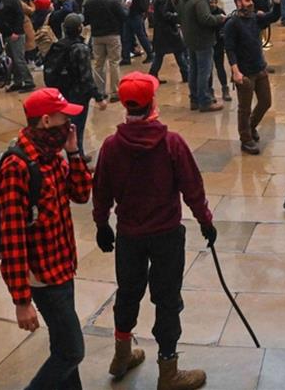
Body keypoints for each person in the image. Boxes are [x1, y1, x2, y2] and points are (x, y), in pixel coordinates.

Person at [92, 73, 214, 390]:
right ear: (152, 104)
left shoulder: (111, 146)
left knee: (128, 293)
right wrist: (205, 220)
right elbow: (192, 187)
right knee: (167, 299)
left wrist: (102, 223)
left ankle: (121, 356)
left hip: (129, 234)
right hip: (166, 234)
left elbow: (101, 189)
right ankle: (168, 371)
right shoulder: (171, 143)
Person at [0, 88, 93, 389]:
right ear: (47, 121)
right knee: (72, 351)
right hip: (42, 276)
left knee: (62, 346)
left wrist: (74, 152)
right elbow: (11, 238)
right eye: (66, 117)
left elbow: (80, 194)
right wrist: (21, 300)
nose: (71, 123)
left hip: (62, 265)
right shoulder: (18, 167)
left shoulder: (52, 154)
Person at [224, 0, 280, 155]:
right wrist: (235, 71)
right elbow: (230, 48)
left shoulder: (255, 18)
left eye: (251, 0)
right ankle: (246, 139)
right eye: (247, 1)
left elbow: (274, 16)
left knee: (265, 102)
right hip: (244, 72)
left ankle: (250, 126)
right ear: (238, 3)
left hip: (259, 68)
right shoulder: (232, 23)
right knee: (244, 107)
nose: (251, 3)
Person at [45, 14, 108, 160]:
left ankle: (73, 153)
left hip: (62, 92)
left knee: (65, 125)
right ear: (79, 28)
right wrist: (99, 97)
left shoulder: (59, 45)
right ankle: (77, 156)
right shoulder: (80, 48)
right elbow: (86, 77)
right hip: (78, 94)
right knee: (76, 127)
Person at [178, 0, 226, 112]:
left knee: (193, 70)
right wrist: (219, 18)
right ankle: (204, 101)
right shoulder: (200, 0)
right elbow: (206, 19)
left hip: (189, 38)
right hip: (202, 39)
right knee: (204, 71)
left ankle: (194, 99)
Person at [84, 0, 129, 101]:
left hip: (97, 36)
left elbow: (86, 20)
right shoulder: (113, 1)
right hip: (112, 34)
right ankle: (115, 92)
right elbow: (124, 17)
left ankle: (100, 91)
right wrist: (126, 7)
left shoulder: (89, 2)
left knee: (99, 64)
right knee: (114, 63)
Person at [0, 0, 35, 92]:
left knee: (19, 59)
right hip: (6, 34)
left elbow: (19, 17)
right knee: (11, 60)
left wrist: (16, 32)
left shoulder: (13, 1)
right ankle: (18, 81)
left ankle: (29, 82)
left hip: (16, 34)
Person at [149, 0, 189, 84]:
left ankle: (152, 75)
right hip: (168, 30)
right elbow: (165, 14)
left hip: (161, 30)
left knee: (160, 54)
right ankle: (186, 74)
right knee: (179, 51)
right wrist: (178, 17)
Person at [117, 0, 154, 65]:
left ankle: (150, 54)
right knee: (126, 37)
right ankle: (126, 58)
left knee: (141, 35)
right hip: (129, 15)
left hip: (135, 14)